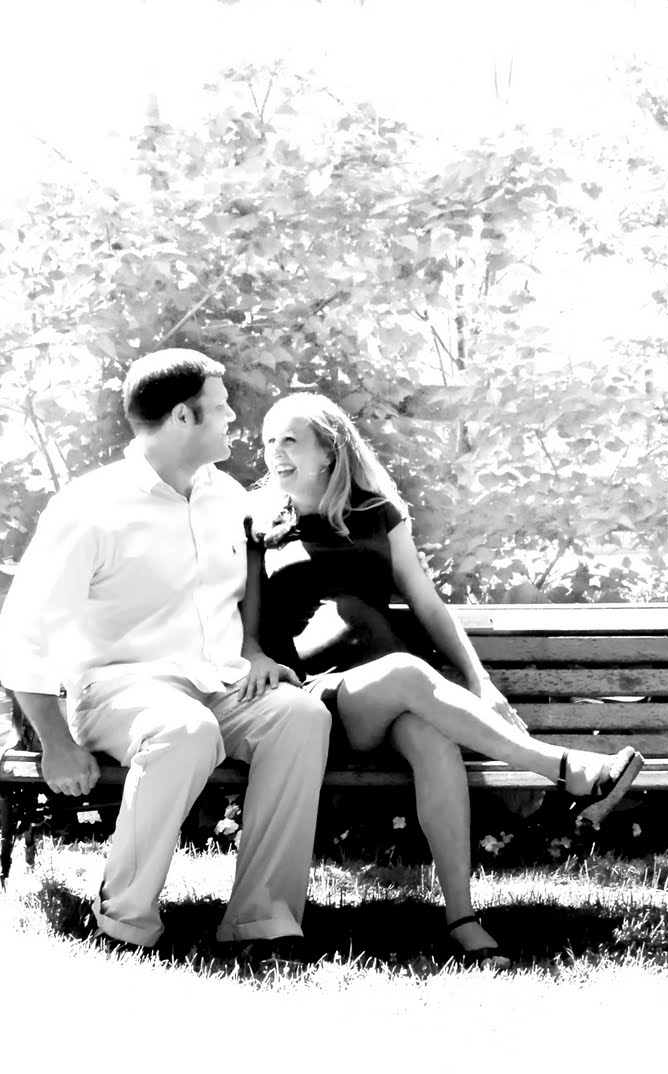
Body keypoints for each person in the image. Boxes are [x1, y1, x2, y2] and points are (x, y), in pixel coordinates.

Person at [248, 393, 644, 968]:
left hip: (391, 693)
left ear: (329, 452)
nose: (275, 453)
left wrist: (481, 682)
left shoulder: (378, 513)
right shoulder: (258, 520)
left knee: (435, 743)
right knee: (410, 670)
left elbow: (429, 605)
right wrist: (254, 655)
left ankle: (462, 920)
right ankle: (566, 769)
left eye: (289, 440)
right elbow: (248, 619)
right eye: (269, 441)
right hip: (318, 699)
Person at [0, 349, 331, 962]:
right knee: (185, 730)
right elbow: (22, 633)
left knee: (301, 717)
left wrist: (253, 648)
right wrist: (55, 742)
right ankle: (124, 921)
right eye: (220, 406)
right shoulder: (90, 508)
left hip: (218, 682)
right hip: (118, 690)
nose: (233, 416)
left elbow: (245, 584)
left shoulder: (227, 495)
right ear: (182, 417)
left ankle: (263, 922)